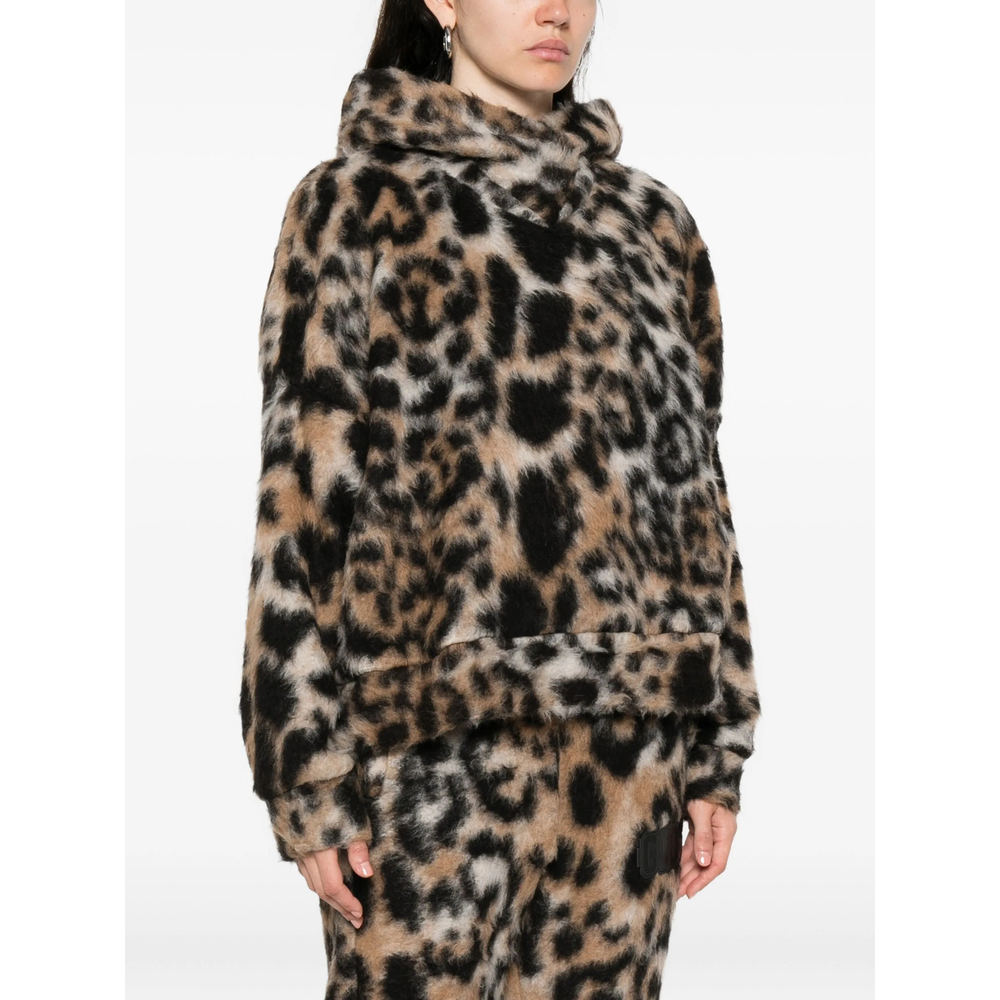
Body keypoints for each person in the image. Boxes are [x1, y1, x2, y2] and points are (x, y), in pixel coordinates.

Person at [240, 1, 762, 995]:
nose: (556, 8)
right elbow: (299, 502)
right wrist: (306, 770)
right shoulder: (354, 206)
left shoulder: (655, 226)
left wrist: (717, 745)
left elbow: (698, 495)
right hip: (423, 761)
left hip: (628, 761)